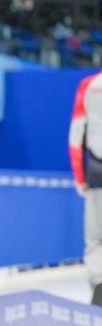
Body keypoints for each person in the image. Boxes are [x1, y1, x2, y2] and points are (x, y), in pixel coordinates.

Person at [69, 70, 102, 305]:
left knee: (96, 237)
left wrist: (80, 177)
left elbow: (76, 134)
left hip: (97, 172)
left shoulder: (90, 85)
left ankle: (100, 285)